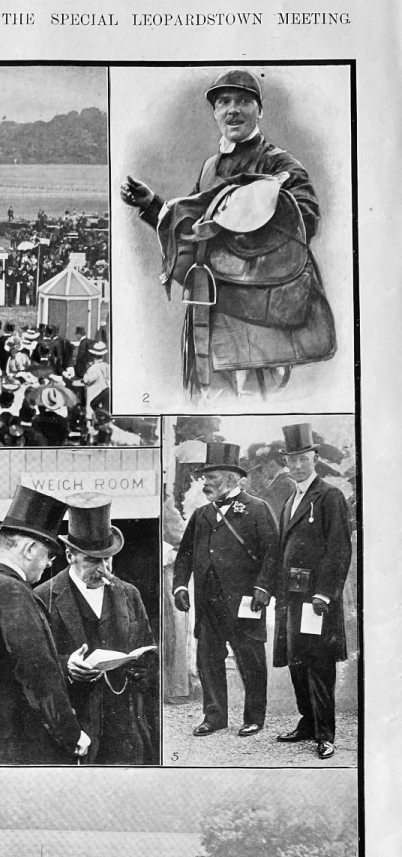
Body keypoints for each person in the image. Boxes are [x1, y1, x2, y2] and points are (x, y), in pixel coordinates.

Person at [121, 67, 334, 397]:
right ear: (215, 113)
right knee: (208, 397)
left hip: (258, 311)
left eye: (242, 101)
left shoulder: (279, 163)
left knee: (256, 398)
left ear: (259, 110)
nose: (232, 110)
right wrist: (152, 205)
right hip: (208, 305)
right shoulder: (210, 168)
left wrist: (240, 228)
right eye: (223, 102)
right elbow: (192, 226)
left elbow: (305, 218)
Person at [0, 484, 89, 763]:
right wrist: (71, 733)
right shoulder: (12, 591)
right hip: (16, 743)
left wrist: (63, 664)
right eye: (48, 555)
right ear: (29, 549)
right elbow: (36, 671)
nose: (48, 564)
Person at [36, 495, 157, 763]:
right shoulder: (43, 598)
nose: (104, 570)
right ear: (70, 556)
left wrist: (142, 668)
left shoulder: (129, 594)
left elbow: (150, 650)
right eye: (92, 561)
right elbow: (34, 666)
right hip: (76, 727)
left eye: (108, 559)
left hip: (125, 725)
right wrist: (67, 666)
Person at [172, 442, 279, 737]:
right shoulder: (202, 515)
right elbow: (185, 555)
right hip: (208, 603)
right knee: (207, 660)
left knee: (250, 659)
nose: (205, 482)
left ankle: (254, 717)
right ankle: (215, 716)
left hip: (245, 601)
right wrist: (180, 585)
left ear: (231, 479)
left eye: (212, 477)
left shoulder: (257, 509)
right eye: (205, 477)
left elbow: (272, 552)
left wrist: (263, 587)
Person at [271, 422, 353, 759]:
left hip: (316, 599)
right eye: (292, 459)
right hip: (291, 598)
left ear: (315, 458)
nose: (297, 465)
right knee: (297, 662)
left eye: (303, 458)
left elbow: (338, 549)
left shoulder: (329, 496)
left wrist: (324, 594)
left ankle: (325, 734)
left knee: (319, 663)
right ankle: (307, 723)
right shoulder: (290, 499)